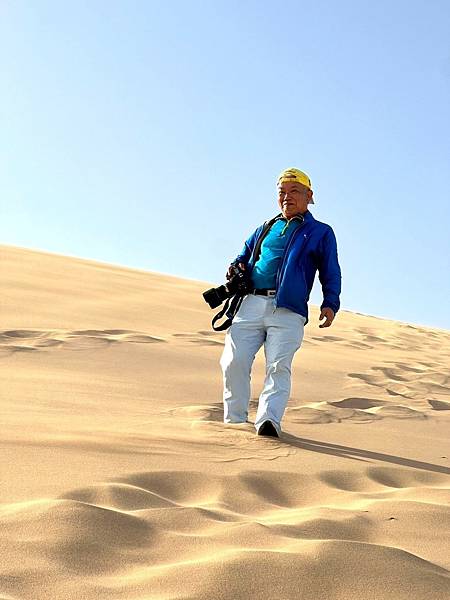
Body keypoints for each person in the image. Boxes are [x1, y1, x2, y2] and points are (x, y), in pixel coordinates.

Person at [219, 167, 342, 438]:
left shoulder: (321, 232)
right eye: (282, 192)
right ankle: (235, 422)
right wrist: (235, 268)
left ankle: (268, 421)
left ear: (309, 196)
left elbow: (330, 270)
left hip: (288, 310)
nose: (287, 197)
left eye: (294, 191)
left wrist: (330, 303)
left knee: (278, 365)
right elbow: (241, 256)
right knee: (233, 361)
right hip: (249, 303)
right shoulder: (265, 227)